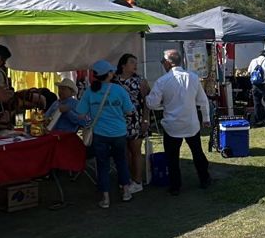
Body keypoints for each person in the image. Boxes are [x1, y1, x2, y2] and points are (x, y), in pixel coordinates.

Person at [145, 50, 212, 194]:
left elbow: (151, 104)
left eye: (163, 61)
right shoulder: (193, 77)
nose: (162, 64)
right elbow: (203, 101)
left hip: (172, 125)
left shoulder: (162, 81)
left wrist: (151, 97)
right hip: (190, 122)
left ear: (168, 63)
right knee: (197, 153)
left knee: (172, 157)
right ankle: (204, 178)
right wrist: (206, 118)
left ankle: (175, 186)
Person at [78, 60, 137, 208]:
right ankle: (126, 192)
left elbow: (80, 113)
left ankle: (105, 198)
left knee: (102, 165)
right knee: (121, 162)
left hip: (99, 134)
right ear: (108, 74)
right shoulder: (119, 90)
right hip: (119, 133)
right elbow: (129, 111)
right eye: (111, 71)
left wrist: (91, 117)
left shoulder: (90, 92)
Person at [114, 53, 150, 191]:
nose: (135, 65)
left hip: (136, 120)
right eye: (132, 62)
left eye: (136, 62)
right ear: (123, 65)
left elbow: (147, 102)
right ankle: (126, 178)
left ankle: (138, 181)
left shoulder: (140, 81)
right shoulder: (114, 81)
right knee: (123, 152)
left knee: (135, 151)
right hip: (118, 120)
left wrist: (145, 119)